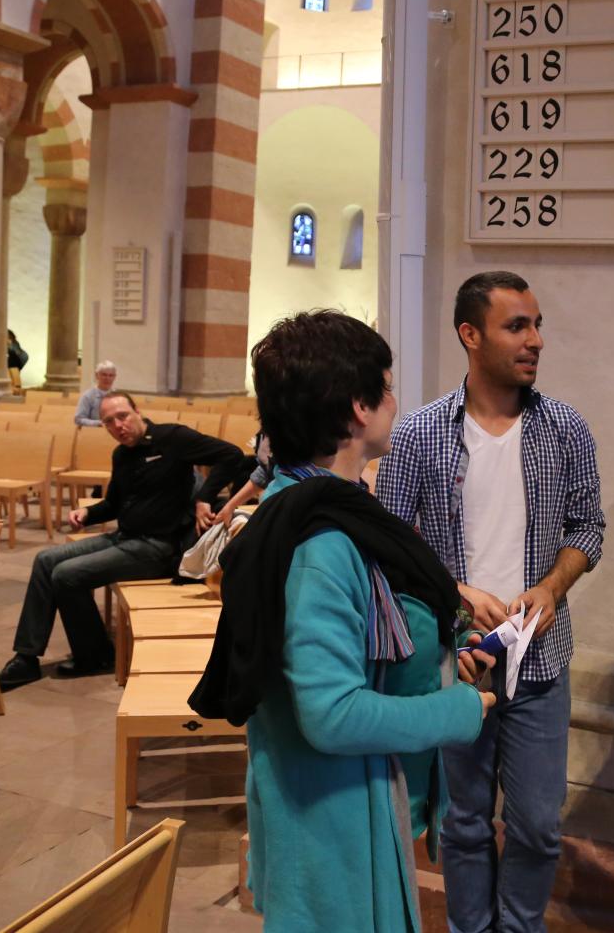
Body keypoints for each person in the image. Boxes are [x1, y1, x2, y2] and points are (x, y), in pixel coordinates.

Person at [188, 310, 496, 933]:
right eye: (385, 387)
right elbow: (332, 714)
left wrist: (447, 643)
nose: (394, 400)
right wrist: (461, 710)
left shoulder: (322, 508)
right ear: (358, 408)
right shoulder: (318, 541)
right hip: (327, 819)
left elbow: (369, 632)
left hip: (353, 805)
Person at [376, 270, 605, 933]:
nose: (534, 340)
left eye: (537, 325)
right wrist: (453, 594)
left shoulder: (565, 429)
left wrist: (552, 586)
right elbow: (390, 545)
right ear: (470, 335)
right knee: (464, 823)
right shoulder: (419, 435)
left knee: (537, 826)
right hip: (458, 665)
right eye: (517, 326)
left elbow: (589, 526)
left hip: (540, 665)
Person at [0, 390, 243, 689]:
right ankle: (26, 658)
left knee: (66, 575)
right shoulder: (122, 454)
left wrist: (204, 498)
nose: (118, 426)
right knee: (45, 560)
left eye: (122, 417)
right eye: (109, 422)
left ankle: (95, 654)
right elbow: (114, 504)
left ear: (137, 411)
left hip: (158, 547)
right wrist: (87, 514)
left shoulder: (172, 438)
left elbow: (230, 455)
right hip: (124, 537)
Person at [74, 360, 118, 426]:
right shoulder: (87, 396)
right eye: (104, 375)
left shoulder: (118, 396)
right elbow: (78, 419)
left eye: (111, 375)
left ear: (114, 377)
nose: (107, 378)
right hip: (93, 433)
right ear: (97, 375)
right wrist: (99, 423)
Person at [6, 329, 28, 395]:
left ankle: (16, 386)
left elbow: (19, 354)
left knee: (12, 358)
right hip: (12, 363)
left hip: (14, 361)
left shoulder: (14, 346)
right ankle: (16, 386)